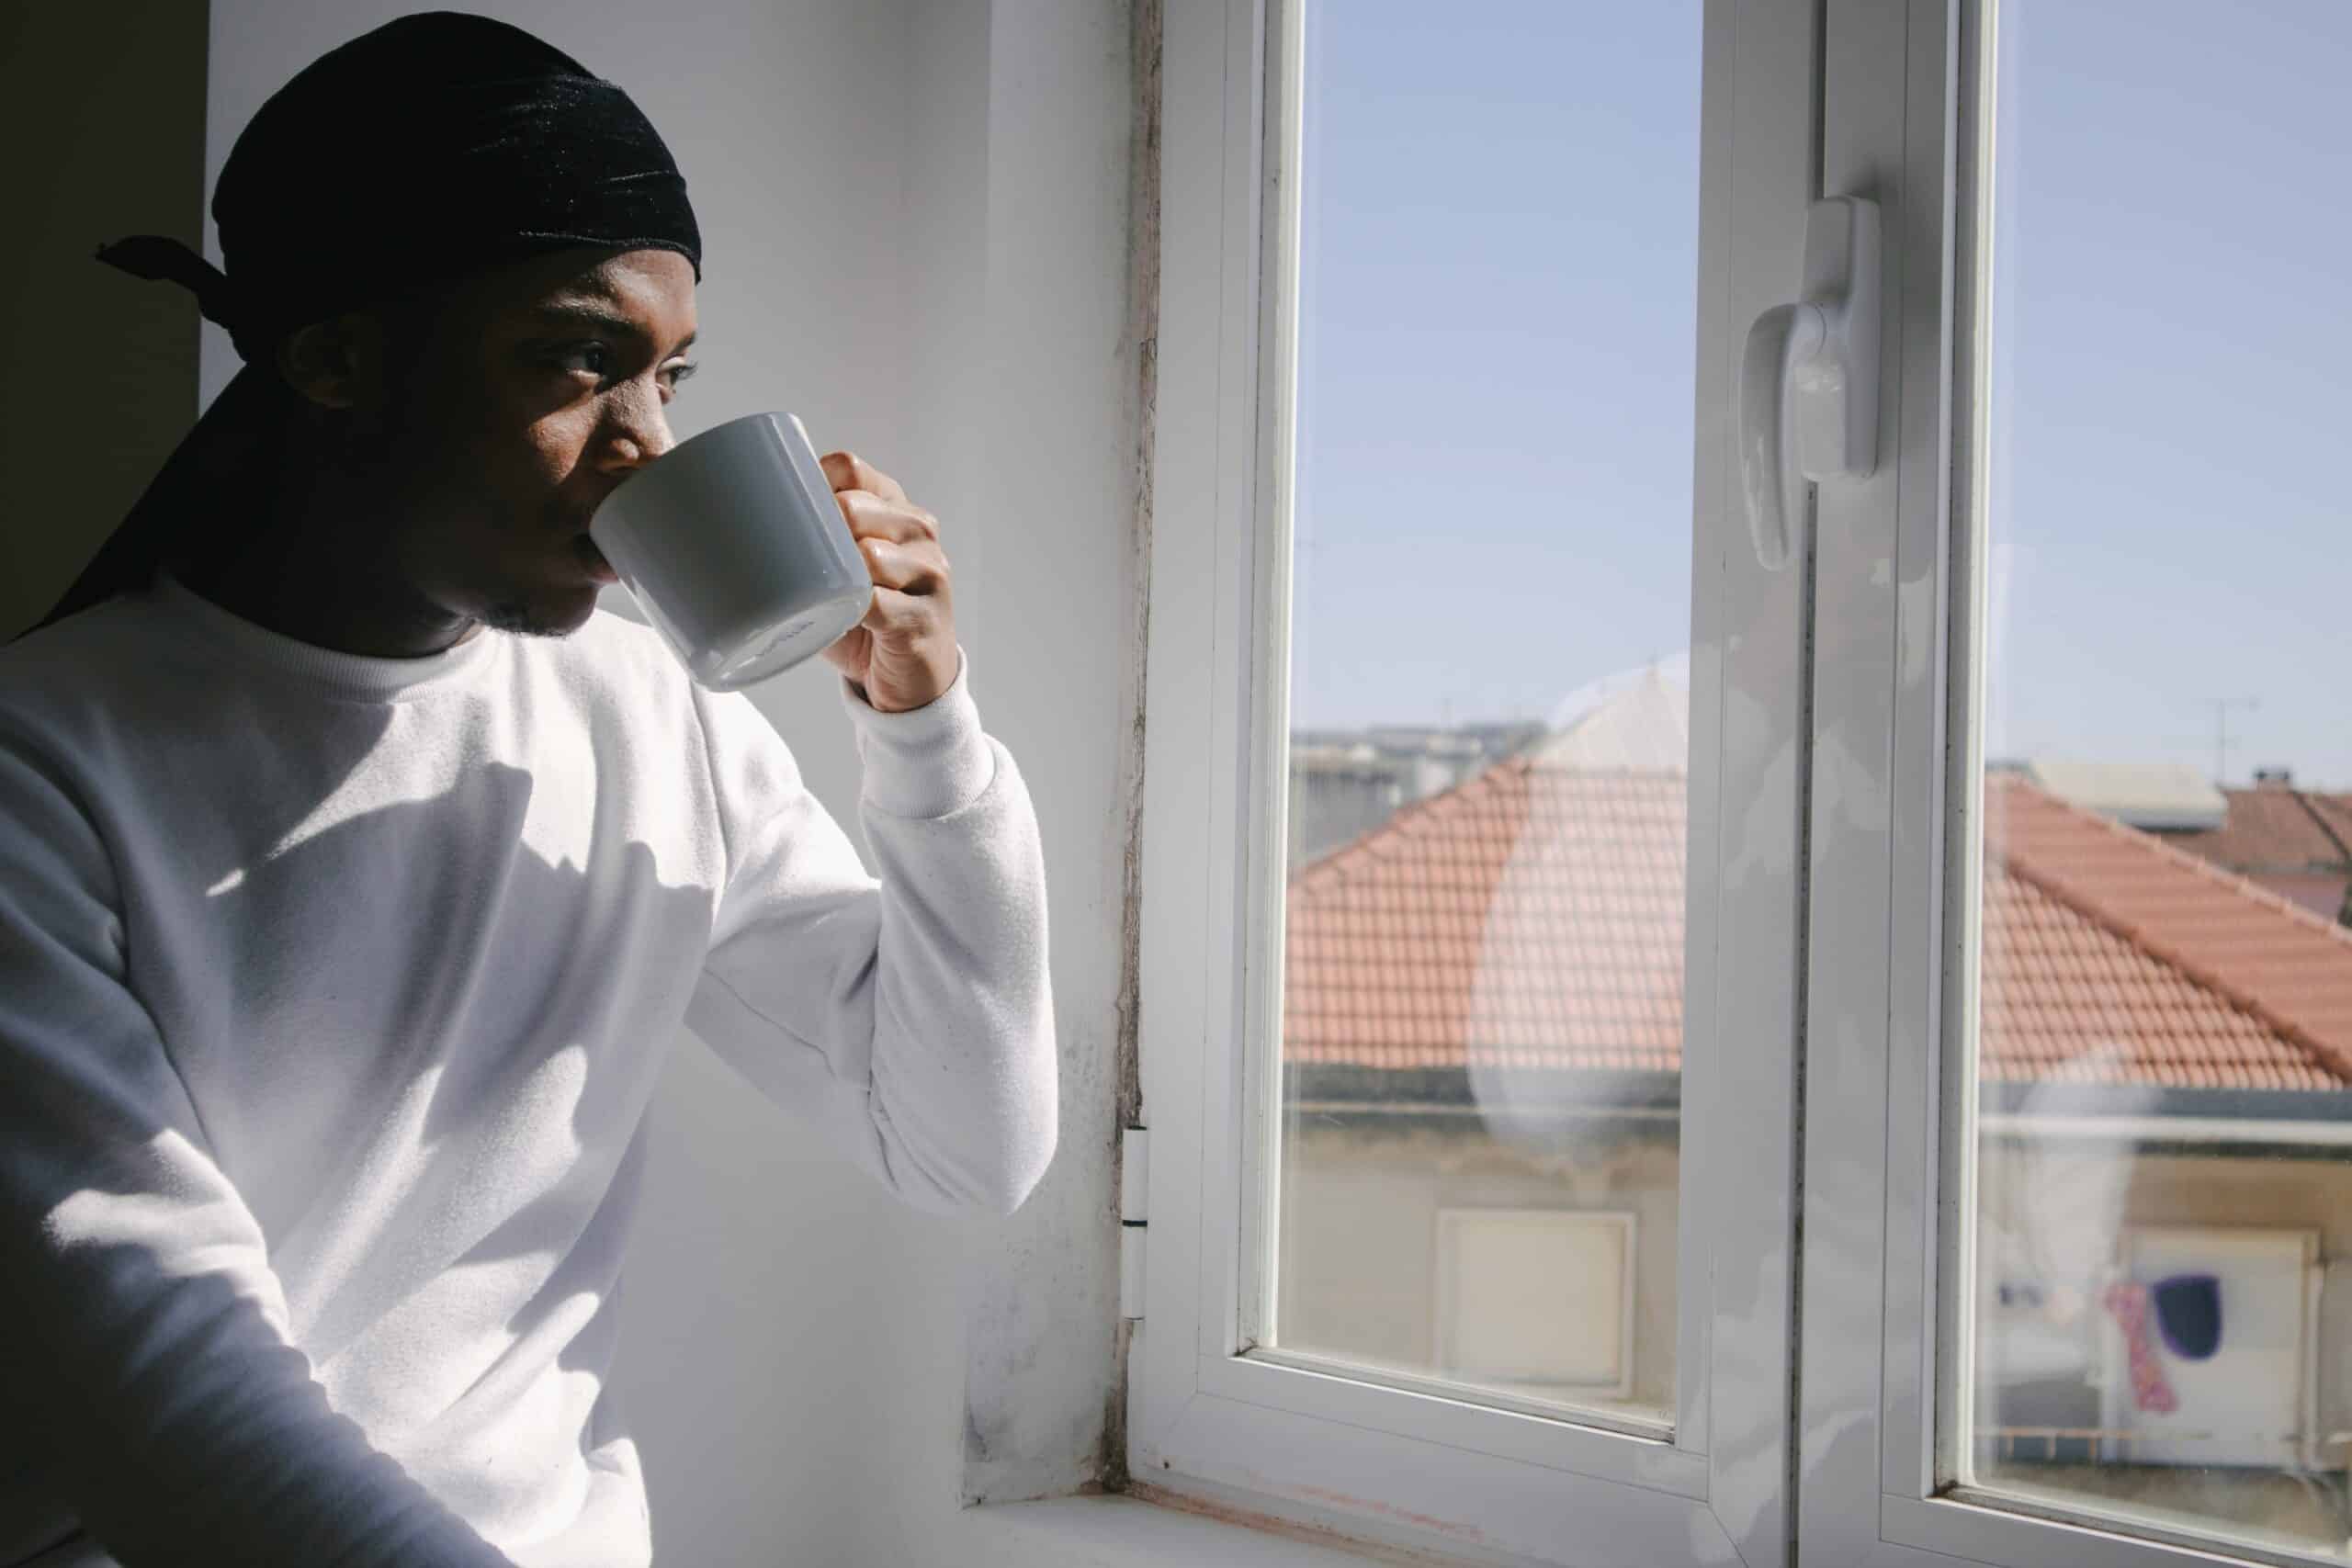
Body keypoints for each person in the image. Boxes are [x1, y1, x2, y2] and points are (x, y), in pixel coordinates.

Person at [0, 14, 1057, 1567]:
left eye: (672, 376)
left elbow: (967, 1144)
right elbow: (175, 1401)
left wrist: (927, 728)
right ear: (336, 359)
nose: (649, 448)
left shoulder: (654, 714)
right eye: (578, 358)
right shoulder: (42, 766)